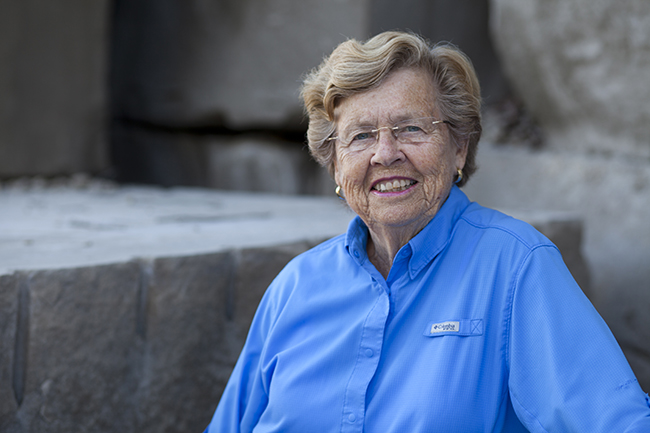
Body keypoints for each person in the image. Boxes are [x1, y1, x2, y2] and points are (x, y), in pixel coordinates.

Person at [204, 31, 650, 432]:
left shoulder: (515, 266)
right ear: (334, 164)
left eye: (411, 128)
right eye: (360, 137)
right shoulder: (295, 288)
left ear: (459, 147)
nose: (385, 153)